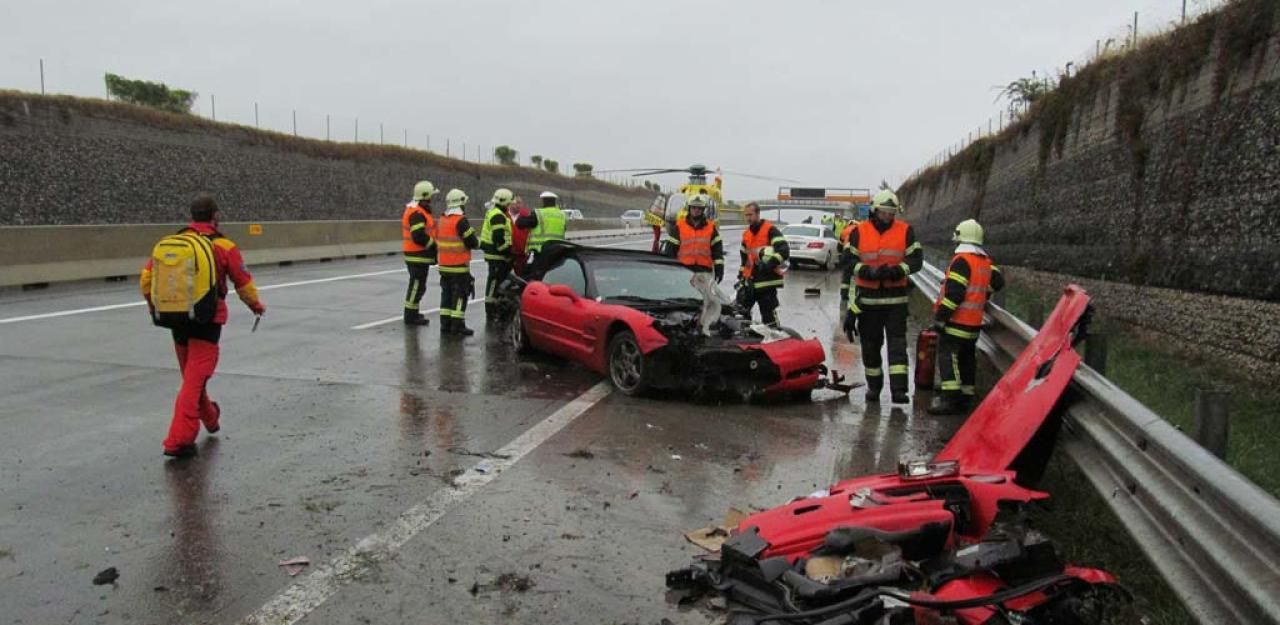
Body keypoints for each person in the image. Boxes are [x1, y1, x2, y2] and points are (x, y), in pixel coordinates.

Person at [140, 194, 265, 457]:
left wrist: (154, 307)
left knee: (192, 378)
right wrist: (256, 306)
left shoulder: (174, 242)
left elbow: (147, 279)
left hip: (175, 316)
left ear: (192, 215)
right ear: (215, 216)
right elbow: (242, 281)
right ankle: (178, 440)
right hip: (207, 320)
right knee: (194, 380)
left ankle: (210, 417)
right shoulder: (224, 246)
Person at [842, 190, 922, 405]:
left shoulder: (905, 231)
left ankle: (899, 391)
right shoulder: (859, 232)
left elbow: (916, 260)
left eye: (891, 213)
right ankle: (874, 387)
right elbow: (848, 262)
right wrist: (868, 272)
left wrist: (897, 271)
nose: (888, 216)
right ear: (875, 211)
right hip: (868, 303)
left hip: (896, 302)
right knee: (870, 347)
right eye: (884, 212)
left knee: (897, 347)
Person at [928, 219, 1004, 415]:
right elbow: (998, 281)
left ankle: (950, 399)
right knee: (967, 358)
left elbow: (954, 294)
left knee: (948, 356)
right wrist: (984, 293)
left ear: (960, 238)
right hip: (974, 323)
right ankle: (966, 395)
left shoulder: (961, 261)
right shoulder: (984, 262)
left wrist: (941, 318)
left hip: (957, 321)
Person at [661, 194, 725, 335]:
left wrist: (719, 267)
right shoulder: (680, 226)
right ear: (689, 208)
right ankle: (682, 328)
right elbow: (671, 249)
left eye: (699, 208)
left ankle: (703, 329)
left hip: (704, 271)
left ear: (703, 210)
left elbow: (717, 249)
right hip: (684, 271)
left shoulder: (711, 227)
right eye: (694, 208)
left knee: (705, 302)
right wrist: (668, 269)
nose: (696, 210)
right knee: (683, 300)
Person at [436, 189, 481, 336]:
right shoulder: (461, 220)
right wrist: (480, 243)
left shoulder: (443, 219)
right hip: (459, 266)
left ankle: (445, 325)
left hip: (444, 266)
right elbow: (472, 242)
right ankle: (457, 326)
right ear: (460, 203)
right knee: (460, 296)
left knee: (446, 296)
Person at [738, 202, 789, 328]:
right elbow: (744, 259)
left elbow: (784, 251)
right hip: (750, 283)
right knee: (741, 314)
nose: (748, 218)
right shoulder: (746, 234)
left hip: (766, 282)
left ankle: (775, 338)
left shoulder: (770, 230)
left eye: (750, 215)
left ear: (758, 214)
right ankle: (747, 337)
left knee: (768, 318)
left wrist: (769, 264)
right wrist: (741, 277)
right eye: (746, 215)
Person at [401, 181, 438, 326]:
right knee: (416, 285)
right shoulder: (416, 213)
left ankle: (413, 312)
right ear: (425, 196)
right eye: (430, 197)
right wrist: (433, 245)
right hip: (416, 255)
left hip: (417, 255)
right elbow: (418, 235)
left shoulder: (418, 211)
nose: (431, 200)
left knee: (419, 286)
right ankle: (410, 316)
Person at [480, 188, 515, 319]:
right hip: (496, 255)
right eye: (509, 203)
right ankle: (491, 309)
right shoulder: (498, 216)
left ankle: (494, 307)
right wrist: (507, 252)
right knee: (493, 282)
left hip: (494, 253)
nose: (509, 206)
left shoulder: (495, 212)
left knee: (495, 281)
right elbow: (498, 238)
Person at [515, 191, 567, 274]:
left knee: (530, 274)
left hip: (540, 252)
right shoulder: (562, 215)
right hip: (558, 251)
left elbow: (520, 224)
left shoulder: (538, 213)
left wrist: (522, 214)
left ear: (543, 201)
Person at [837, 215, 859, 305]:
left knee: (846, 276)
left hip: (846, 254)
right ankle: (858, 294)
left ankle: (844, 295)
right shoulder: (860, 231)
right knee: (858, 276)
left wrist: (840, 257)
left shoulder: (845, 231)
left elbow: (839, 245)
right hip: (856, 256)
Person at [508, 196, 532, 275]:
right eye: (516, 203)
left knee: (521, 275)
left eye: (520, 203)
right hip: (507, 251)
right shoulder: (504, 215)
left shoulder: (527, 215)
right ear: (510, 204)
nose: (518, 205)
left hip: (522, 253)